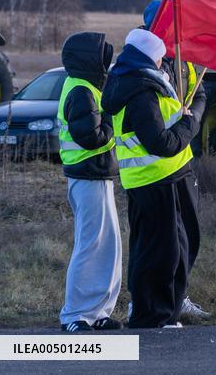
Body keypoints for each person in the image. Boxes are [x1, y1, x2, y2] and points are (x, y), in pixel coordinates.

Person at [101, 28, 207, 329]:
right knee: (162, 252)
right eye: (160, 59)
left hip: (155, 178)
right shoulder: (141, 91)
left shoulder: (130, 80)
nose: (164, 64)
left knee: (159, 248)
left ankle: (159, 313)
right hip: (156, 179)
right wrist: (189, 124)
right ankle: (153, 317)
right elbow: (161, 143)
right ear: (149, 59)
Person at [58, 32, 122, 333]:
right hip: (87, 176)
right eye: (101, 56)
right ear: (89, 60)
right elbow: (91, 137)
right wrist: (111, 116)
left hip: (96, 176)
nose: (105, 61)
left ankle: (97, 313)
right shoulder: (81, 91)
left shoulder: (85, 88)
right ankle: (74, 316)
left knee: (107, 246)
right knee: (90, 246)